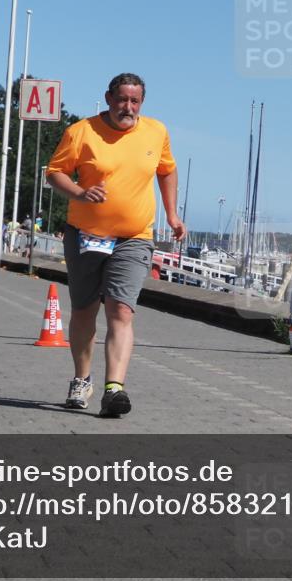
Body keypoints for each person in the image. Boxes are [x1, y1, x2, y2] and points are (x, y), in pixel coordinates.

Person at [46, 72, 185, 417]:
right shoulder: (81, 132)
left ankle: (114, 389)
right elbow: (55, 172)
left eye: (135, 101)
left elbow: (166, 170)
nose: (128, 107)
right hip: (85, 235)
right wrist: (80, 192)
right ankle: (81, 379)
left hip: (134, 238)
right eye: (122, 99)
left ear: (142, 102)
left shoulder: (156, 131)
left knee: (121, 310)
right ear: (108, 98)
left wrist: (172, 214)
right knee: (83, 311)